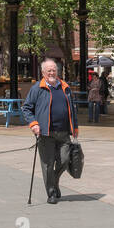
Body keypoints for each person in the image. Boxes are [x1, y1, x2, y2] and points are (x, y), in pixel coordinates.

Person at [22, 59, 78, 204]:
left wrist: (75, 127)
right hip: (46, 132)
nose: (52, 72)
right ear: (43, 73)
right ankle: (51, 192)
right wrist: (33, 124)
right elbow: (27, 108)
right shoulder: (37, 88)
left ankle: (53, 180)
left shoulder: (65, 87)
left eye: (54, 70)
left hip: (64, 132)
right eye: (49, 70)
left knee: (65, 160)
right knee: (47, 163)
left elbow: (72, 109)